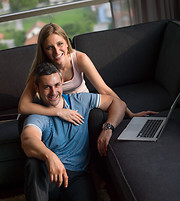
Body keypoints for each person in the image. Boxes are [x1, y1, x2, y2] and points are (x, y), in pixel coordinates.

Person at [21, 62, 126, 201]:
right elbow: (28, 139)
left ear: (62, 83)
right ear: (37, 88)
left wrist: (108, 127)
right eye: (46, 87)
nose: (53, 92)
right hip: (49, 179)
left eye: (56, 85)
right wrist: (49, 156)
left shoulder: (80, 100)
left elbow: (118, 103)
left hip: (77, 177)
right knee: (33, 163)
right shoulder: (38, 116)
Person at [18, 22, 156, 125]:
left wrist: (130, 113)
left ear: (67, 43)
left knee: (96, 115)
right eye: (49, 47)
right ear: (43, 50)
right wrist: (58, 112)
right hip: (57, 109)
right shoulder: (42, 69)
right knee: (25, 119)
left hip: (82, 106)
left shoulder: (79, 59)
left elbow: (103, 89)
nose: (56, 51)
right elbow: (23, 106)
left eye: (60, 44)